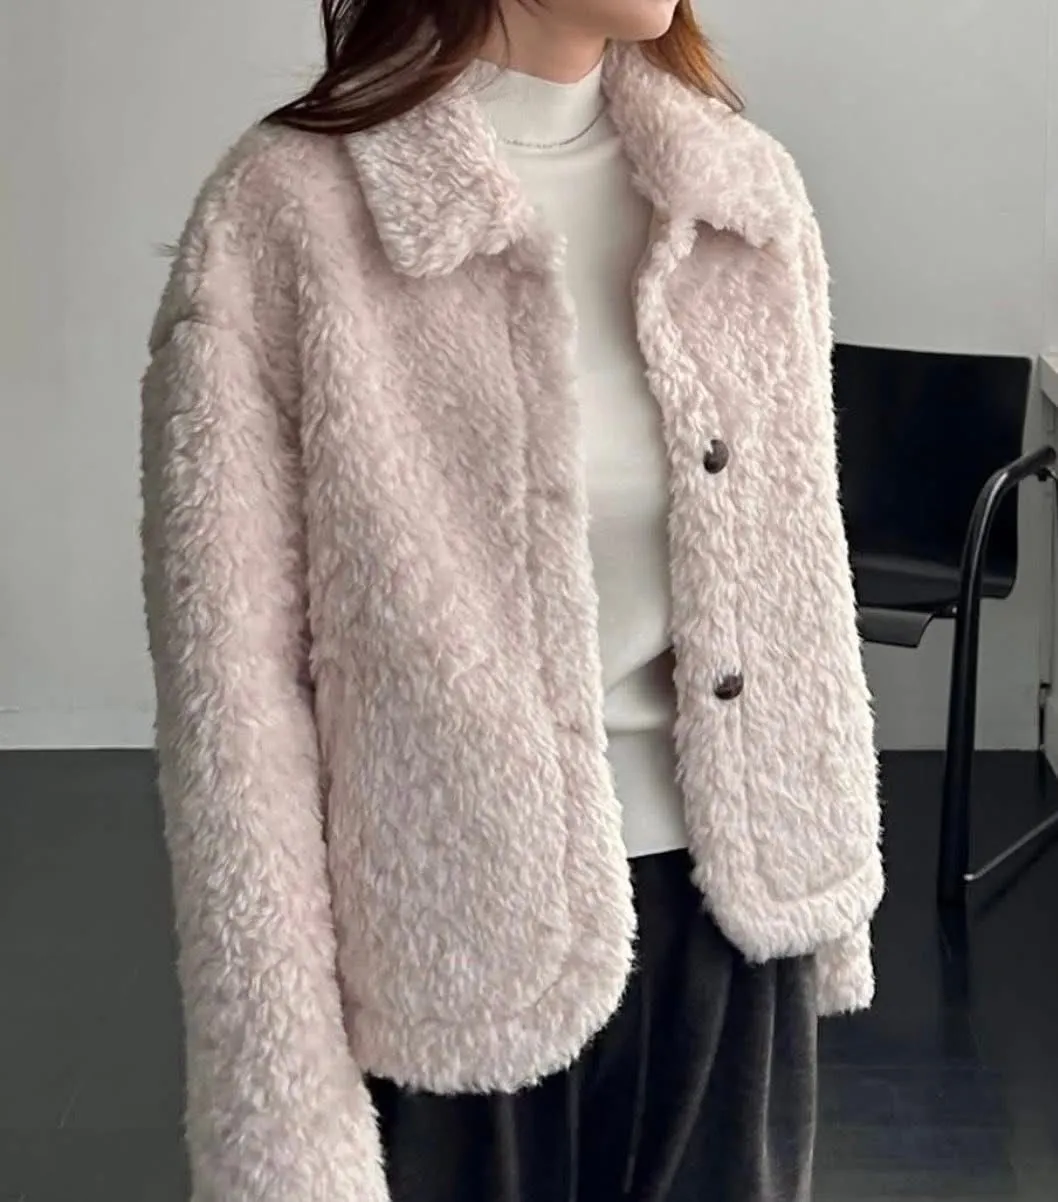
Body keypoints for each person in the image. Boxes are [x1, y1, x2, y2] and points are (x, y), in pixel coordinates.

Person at [139, 2, 883, 1200]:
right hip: (455, 962)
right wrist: (282, 1106)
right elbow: (234, 712)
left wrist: (819, 894)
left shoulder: (740, 190)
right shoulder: (285, 214)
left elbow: (797, 572)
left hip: (727, 927)